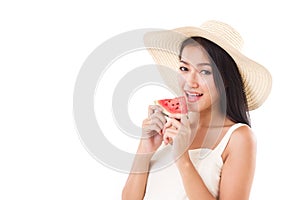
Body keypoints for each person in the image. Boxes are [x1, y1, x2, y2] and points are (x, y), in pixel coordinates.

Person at [122, 20, 272, 200]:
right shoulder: (171, 128)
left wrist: (182, 159)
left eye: (205, 72)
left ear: (225, 80)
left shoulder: (238, 137)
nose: (190, 82)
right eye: (184, 68)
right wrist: (144, 148)